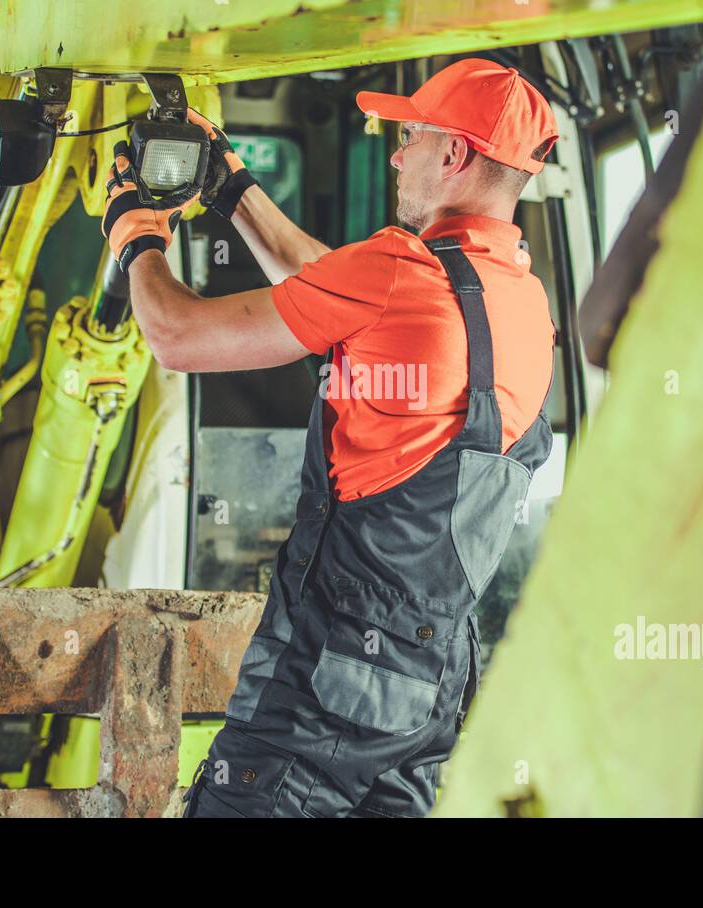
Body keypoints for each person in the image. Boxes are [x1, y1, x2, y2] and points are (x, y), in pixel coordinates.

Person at [100, 57, 559, 817]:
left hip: (327, 684)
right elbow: (331, 285)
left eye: (410, 136)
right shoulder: (520, 301)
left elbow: (176, 335)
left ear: (453, 157)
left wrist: (134, 231)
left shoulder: (397, 273)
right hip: (430, 693)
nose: (395, 153)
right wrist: (233, 190)